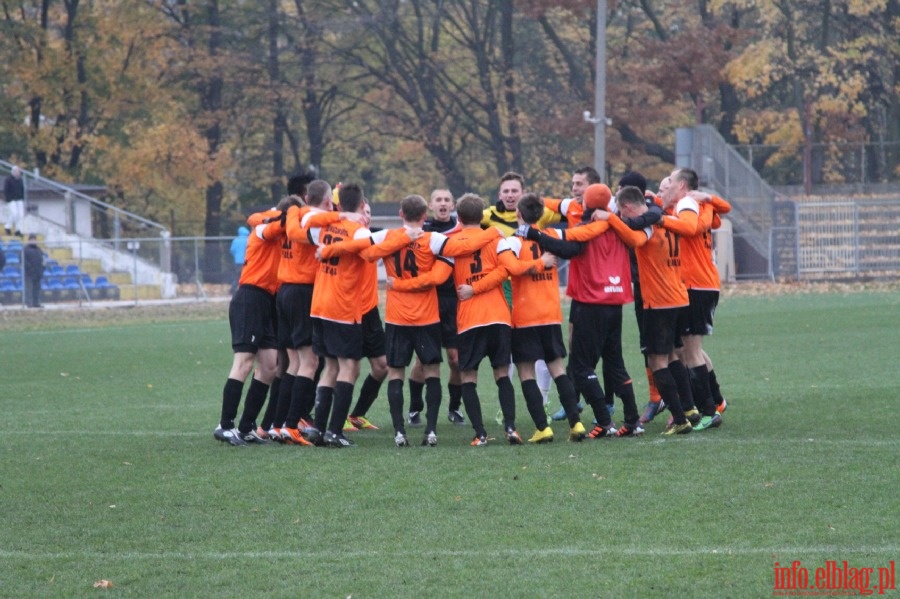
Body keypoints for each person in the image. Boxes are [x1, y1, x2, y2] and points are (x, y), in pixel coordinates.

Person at [598, 186, 695, 435]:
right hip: (679, 298)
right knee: (673, 355)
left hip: (659, 302)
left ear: (628, 207)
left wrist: (609, 219)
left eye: (621, 212)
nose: (622, 216)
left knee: (656, 360)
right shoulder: (669, 221)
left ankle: (679, 418)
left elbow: (633, 238)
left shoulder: (648, 227)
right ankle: (689, 408)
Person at [214, 196, 300, 446]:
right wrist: (286, 216)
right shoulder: (264, 229)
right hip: (250, 297)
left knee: (270, 366)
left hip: (268, 302)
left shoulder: (281, 231)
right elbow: (263, 222)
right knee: (244, 362)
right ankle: (225, 424)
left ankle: (246, 426)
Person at [506, 194, 587, 443]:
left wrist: (536, 264)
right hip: (550, 314)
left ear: (518, 214)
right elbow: (574, 248)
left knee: (526, 371)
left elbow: (510, 269)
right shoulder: (553, 236)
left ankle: (542, 427)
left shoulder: (513, 242)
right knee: (557, 368)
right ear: (541, 215)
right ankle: (576, 423)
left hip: (525, 315)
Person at [658, 167, 730, 429]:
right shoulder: (690, 205)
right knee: (687, 349)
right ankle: (715, 400)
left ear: (681, 186)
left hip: (696, 286)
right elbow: (717, 215)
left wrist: (660, 218)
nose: (661, 191)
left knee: (688, 351)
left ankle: (708, 410)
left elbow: (690, 227)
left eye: (665, 185)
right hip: (698, 285)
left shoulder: (688, 204)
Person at [407, 189, 465, 427]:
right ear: (430, 206)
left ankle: (454, 408)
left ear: (453, 205)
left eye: (446, 200)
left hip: (454, 301)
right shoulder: (422, 230)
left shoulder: (461, 229)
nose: (442, 204)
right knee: (423, 360)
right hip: (428, 300)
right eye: (438, 200)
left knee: (455, 359)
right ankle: (414, 408)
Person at [23, 234, 43, 308]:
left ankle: (36, 303)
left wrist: (42, 268)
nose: (33, 241)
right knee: (29, 288)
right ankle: (29, 303)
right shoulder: (25, 249)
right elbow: (23, 260)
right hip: (29, 273)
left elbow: (42, 259)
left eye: (34, 239)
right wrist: (29, 268)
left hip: (38, 272)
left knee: (36, 288)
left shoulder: (38, 249)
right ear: (29, 240)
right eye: (32, 239)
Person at [4, 165, 25, 237]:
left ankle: (18, 230)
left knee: (21, 215)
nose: (18, 173)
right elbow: (6, 190)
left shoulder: (20, 180)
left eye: (19, 171)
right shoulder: (8, 179)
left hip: (19, 199)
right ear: (13, 172)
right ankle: (7, 227)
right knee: (14, 213)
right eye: (17, 171)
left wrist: (22, 198)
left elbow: (22, 189)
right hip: (11, 200)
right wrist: (8, 198)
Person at [228, 226, 249, 294]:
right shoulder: (249, 240)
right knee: (246, 276)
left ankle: (233, 289)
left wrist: (236, 256)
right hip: (247, 261)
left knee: (238, 276)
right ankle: (244, 290)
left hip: (238, 262)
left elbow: (232, 250)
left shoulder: (236, 240)